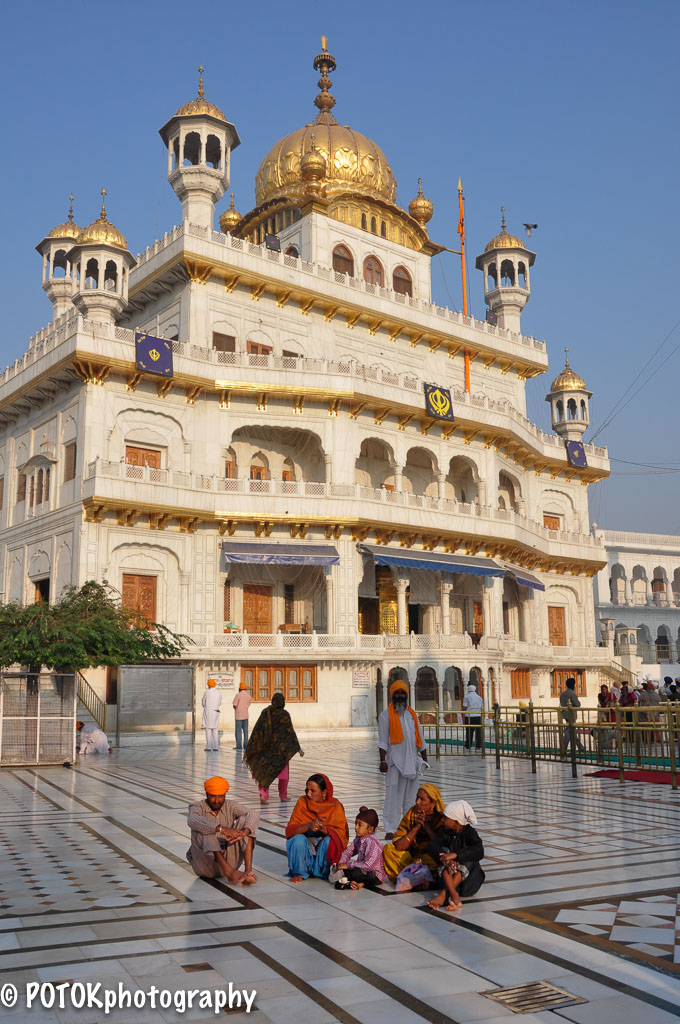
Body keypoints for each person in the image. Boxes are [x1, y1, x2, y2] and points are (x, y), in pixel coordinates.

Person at [378, 679, 429, 840]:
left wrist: (425, 758)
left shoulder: (411, 714)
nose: (400, 695)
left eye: (402, 693)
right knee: (393, 797)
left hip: (412, 763)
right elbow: (382, 741)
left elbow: (419, 737)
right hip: (395, 763)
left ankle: (409, 825)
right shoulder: (385, 715)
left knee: (411, 798)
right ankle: (391, 828)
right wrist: (382, 761)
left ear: (406, 695)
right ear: (392, 695)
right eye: (397, 693)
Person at [186, 776, 258, 885]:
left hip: (229, 859)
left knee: (247, 823)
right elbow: (192, 820)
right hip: (205, 865)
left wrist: (243, 833)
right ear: (206, 794)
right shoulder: (197, 806)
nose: (216, 801)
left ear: (225, 795)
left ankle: (248, 871)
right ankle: (230, 874)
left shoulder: (230, 805)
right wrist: (221, 829)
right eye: (212, 796)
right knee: (204, 827)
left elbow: (253, 814)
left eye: (220, 797)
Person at [284, 774, 348, 883]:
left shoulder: (335, 806)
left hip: (322, 847)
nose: (308, 794)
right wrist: (308, 826)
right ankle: (300, 872)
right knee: (297, 840)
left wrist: (323, 829)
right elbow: (290, 830)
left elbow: (341, 834)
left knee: (331, 841)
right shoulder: (302, 802)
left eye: (313, 791)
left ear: (324, 792)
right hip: (306, 845)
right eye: (307, 790)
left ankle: (323, 871)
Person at [245, 692, 304, 805]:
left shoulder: (266, 712)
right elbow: (290, 732)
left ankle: (263, 794)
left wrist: (253, 747)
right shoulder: (284, 714)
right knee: (284, 777)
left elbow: (258, 730)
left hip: (266, 750)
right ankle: (283, 796)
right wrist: (298, 748)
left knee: (265, 774)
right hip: (281, 752)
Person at [426, 800, 485, 912]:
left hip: (469, 884)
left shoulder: (470, 833)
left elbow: (479, 850)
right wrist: (447, 859)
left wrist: (456, 855)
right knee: (443, 853)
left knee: (469, 855)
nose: (443, 819)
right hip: (450, 880)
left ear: (456, 822)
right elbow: (433, 846)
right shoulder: (444, 831)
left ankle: (444, 895)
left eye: (446, 817)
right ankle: (454, 897)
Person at [382, 783, 444, 883]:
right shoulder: (412, 812)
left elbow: (441, 846)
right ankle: (414, 877)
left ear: (433, 803)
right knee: (388, 850)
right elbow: (399, 846)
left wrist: (426, 827)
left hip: (430, 858)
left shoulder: (441, 818)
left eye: (422, 799)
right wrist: (416, 828)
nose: (417, 802)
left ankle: (412, 877)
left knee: (436, 864)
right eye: (417, 798)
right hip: (412, 857)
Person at [335, 807, 386, 890]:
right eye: (355, 824)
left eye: (360, 825)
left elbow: (368, 865)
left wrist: (348, 865)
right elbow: (347, 852)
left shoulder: (371, 842)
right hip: (363, 870)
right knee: (343, 868)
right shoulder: (358, 839)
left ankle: (358, 883)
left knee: (355, 872)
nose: (356, 828)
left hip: (374, 875)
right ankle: (356, 883)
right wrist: (341, 863)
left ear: (370, 829)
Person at [559, 677, 585, 756]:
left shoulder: (563, 694)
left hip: (565, 714)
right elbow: (577, 704)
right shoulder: (572, 694)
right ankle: (564, 748)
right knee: (569, 732)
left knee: (572, 732)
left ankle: (580, 747)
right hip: (571, 715)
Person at [202, 678, 222, 751]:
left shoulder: (207, 692)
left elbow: (203, 702)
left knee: (208, 730)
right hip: (216, 712)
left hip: (208, 712)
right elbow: (219, 703)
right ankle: (215, 747)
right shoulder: (219, 692)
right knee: (215, 729)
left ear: (209, 685)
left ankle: (209, 747)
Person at [463, 683, 484, 751]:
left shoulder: (467, 697)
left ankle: (468, 745)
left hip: (469, 716)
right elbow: (481, 707)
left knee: (469, 731)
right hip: (478, 715)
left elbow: (465, 707)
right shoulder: (479, 697)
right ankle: (478, 746)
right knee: (478, 732)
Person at [232, 680, 252, 751]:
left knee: (238, 731)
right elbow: (249, 704)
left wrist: (236, 709)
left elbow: (234, 705)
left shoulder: (238, 695)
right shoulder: (248, 695)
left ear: (240, 688)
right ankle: (246, 745)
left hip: (238, 715)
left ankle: (239, 746)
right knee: (245, 731)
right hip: (245, 715)